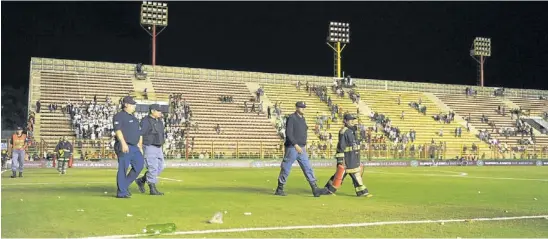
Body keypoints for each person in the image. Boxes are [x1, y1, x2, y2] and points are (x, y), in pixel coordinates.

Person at [274, 101, 323, 197]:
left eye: (304, 107)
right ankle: (279, 188)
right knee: (286, 168)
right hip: (292, 147)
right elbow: (289, 133)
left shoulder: (303, 119)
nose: (303, 109)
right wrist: (295, 144)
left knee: (307, 167)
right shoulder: (291, 118)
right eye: (301, 107)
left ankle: (315, 188)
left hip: (302, 148)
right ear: (296, 107)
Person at [320, 114, 372, 197]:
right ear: (345, 121)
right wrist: (340, 161)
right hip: (347, 159)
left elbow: (356, 146)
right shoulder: (344, 132)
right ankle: (362, 192)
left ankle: (328, 189)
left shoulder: (354, 131)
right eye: (350, 120)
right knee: (349, 175)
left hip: (354, 158)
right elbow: (341, 147)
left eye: (353, 119)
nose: (352, 121)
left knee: (343, 175)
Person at [113, 96, 144, 198]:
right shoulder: (119, 116)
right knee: (123, 168)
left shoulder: (134, 118)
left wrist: (140, 147)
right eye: (132, 104)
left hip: (134, 147)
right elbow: (118, 130)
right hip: (124, 145)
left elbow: (139, 133)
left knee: (139, 165)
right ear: (126, 104)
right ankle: (121, 192)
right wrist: (123, 143)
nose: (134, 106)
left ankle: (123, 187)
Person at [136, 104, 166, 195]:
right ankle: (152, 188)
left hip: (158, 147)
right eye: (158, 111)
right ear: (152, 111)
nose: (160, 112)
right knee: (152, 167)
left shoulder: (160, 121)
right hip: (149, 146)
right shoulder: (145, 121)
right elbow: (140, 134)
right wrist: (140, 146)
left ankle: (142, 180)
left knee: (160, 167)